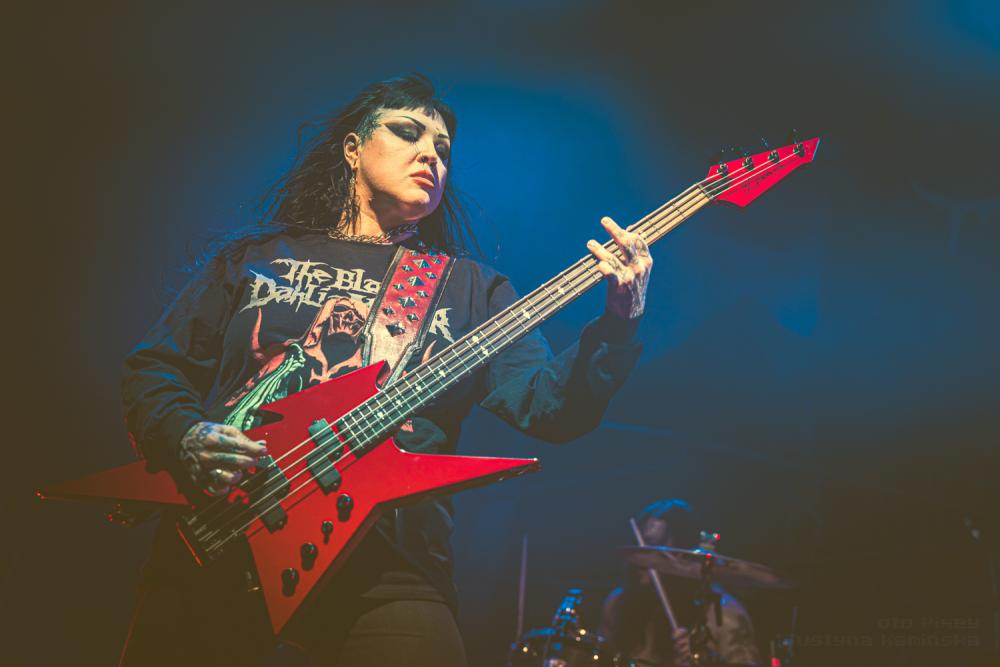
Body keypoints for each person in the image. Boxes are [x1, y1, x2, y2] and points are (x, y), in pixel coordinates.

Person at [119, 74, 653, 666]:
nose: (431, 155)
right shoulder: (258, 259)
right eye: (407, 132)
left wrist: (619, 321)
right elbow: (155, 368)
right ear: (352, 149)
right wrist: (185, 435)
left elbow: (549, 409)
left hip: (391, 566)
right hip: (227, 527)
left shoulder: (471, 290)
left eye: (443, 149)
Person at [600, 499, 761, 667]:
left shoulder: (722, 613)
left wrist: (704, 660)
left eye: (654, 547)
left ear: (681, 555)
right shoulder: (617, 604)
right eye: (640, 545)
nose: (643, 557)